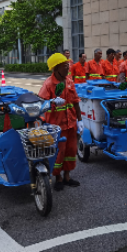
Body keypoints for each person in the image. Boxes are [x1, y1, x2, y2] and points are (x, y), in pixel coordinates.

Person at [38, 53, 82, 191]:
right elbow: (41, 104)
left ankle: (67, 176)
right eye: (65, 66)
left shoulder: (69, 81)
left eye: (68, 65)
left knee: (71, 151)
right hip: (56, 126)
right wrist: (50, 102)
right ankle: (58, 178)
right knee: (59, 153)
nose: (68, 68)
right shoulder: (49, 84)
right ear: (56, 68)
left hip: (71, 124)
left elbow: (75, 102)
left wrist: (80, 120)